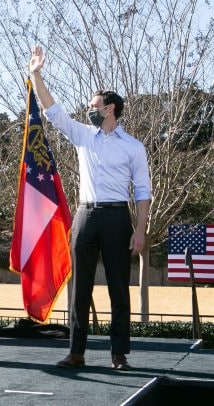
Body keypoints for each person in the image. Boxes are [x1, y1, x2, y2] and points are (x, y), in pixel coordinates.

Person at [29, 45, 152, 370]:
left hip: (117, 218)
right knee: (79, 288)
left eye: (94, 106)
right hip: (86, 216)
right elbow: (53, 111)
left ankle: (118, 354)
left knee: (118, 290)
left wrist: (139, 231)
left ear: (110, 109)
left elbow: (142, 192)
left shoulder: (134, 148)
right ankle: (76, 352)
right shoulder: (84, 135)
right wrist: (36, 74)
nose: (89, 110)